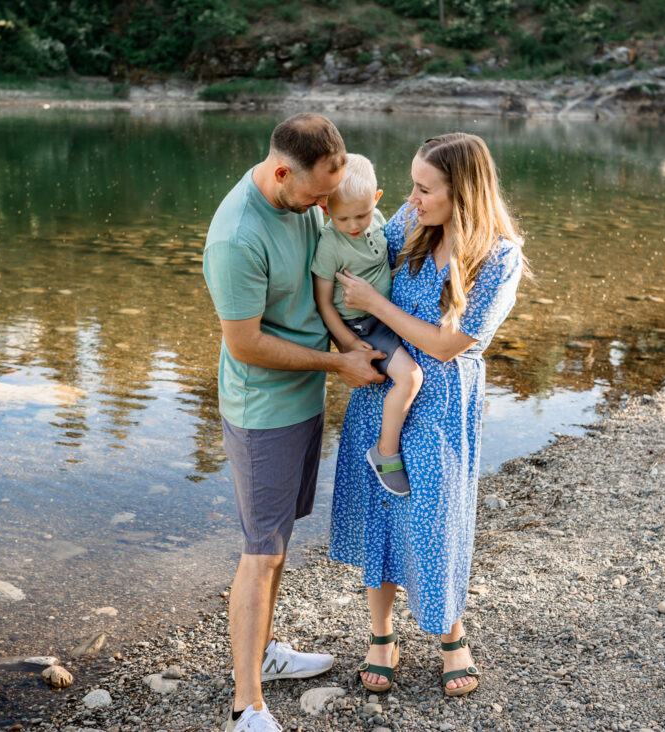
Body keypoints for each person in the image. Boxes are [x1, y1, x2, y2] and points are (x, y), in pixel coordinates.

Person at [202, 114, 385, 732]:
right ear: (283, 173)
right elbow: (247, 344)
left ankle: (269, 652)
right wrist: (339, 363)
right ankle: (245, 706)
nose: (324, 208)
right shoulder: (237, 237)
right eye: (315, 197)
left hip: (303, 398)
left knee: (278, 547)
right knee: (260, 553)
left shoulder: (308, 193)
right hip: (263, 412)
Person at [329, 133, 527, 697]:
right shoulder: (409, 224)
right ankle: (381, 636)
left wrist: (376, 306)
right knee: (382, 515)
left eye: (423, 188)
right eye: (412, 186)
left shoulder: (498, 256)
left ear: (461, 193)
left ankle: (450, 634)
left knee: (436, 520)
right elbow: (354, 246)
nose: (411, 199)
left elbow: (447, 345)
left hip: (441, 404)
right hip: (383, 390)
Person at [311, 153, 424, 497]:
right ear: (327, 211)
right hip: (363, 326)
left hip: (386, 313)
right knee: (411, 376)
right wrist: (346, 342)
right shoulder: (330, 244)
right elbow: (323, 302)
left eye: (361, 214)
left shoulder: (376, 218)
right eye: (342, 217)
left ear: (376, 200)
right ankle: (385, 452)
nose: (354, 225)